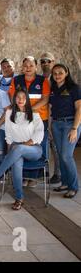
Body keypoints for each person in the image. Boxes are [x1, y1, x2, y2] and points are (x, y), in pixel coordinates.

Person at [0, 89, 44, 210]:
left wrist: (26, 144)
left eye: (23, 97)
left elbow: (39, 133)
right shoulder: (9, 114)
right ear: (14, 99)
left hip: (34, 148)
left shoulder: (35, 114)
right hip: (16, 148)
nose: (20, 99)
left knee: (19, 148)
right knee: (16, 163)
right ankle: (19, 198)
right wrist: (11, 151)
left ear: (27, 99)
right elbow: (9, 136)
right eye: (18, 97)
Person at [8, 56, 50, 187]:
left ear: (36, 67)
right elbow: (12, 96)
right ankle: (24, 175)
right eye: (25, 66)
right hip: (21, 119)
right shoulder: (16, 80)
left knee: (38, 145)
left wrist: (29, 109)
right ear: (22, 67)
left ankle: (35, 177)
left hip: (40, 119)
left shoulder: (43, 81)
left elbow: (45, 99)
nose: (28, 68)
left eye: (31, 65)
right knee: (23, 144)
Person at [49, 64, 81, 198]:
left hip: (70, 123)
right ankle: (65, 182)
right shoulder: (52, 89)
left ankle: (74, 187)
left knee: (66, 155)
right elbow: (50, 108)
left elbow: (79, 109)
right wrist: (50, 126)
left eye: (60, 73)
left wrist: (74, 128)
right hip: (56, 124)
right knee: (60, 154)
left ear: (66, 73)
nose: (57, 75)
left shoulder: (74, 88)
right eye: (55, 73)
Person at [39, 52, 61, 184]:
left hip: (55, 117)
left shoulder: (58, 78)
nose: (45, 63)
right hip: (42, 117)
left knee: (56, 147)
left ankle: (58, 173)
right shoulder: (40, 79)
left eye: (48, 61)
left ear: (53, 62)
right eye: (43, 61)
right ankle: (44, 171)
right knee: (43, 145)